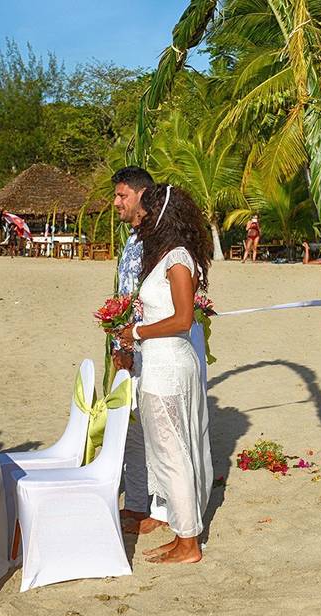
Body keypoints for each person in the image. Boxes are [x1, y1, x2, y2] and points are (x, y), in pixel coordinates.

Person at [116, 184, 213, 564]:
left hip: (169, 367)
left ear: (160, 214)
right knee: (166, 452)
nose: (138, 214)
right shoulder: (164, 257)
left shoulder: (177, 259)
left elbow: (183, 319)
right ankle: (182, 532)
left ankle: (189, 542)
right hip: (157, 363)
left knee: (172, 453)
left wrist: (136, 332)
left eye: (145, 209)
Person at [110, 166, 169, 535]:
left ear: (142, 196)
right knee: (131, 425)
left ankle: (162, 509)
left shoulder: (159, 239)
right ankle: (135, 502)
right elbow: (123, 295)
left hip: (153, 343)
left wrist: (137, 338)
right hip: (128, 343)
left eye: (122, 196)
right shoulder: (131, 239)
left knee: (159, 428)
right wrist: (119, 343)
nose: (116, 202)